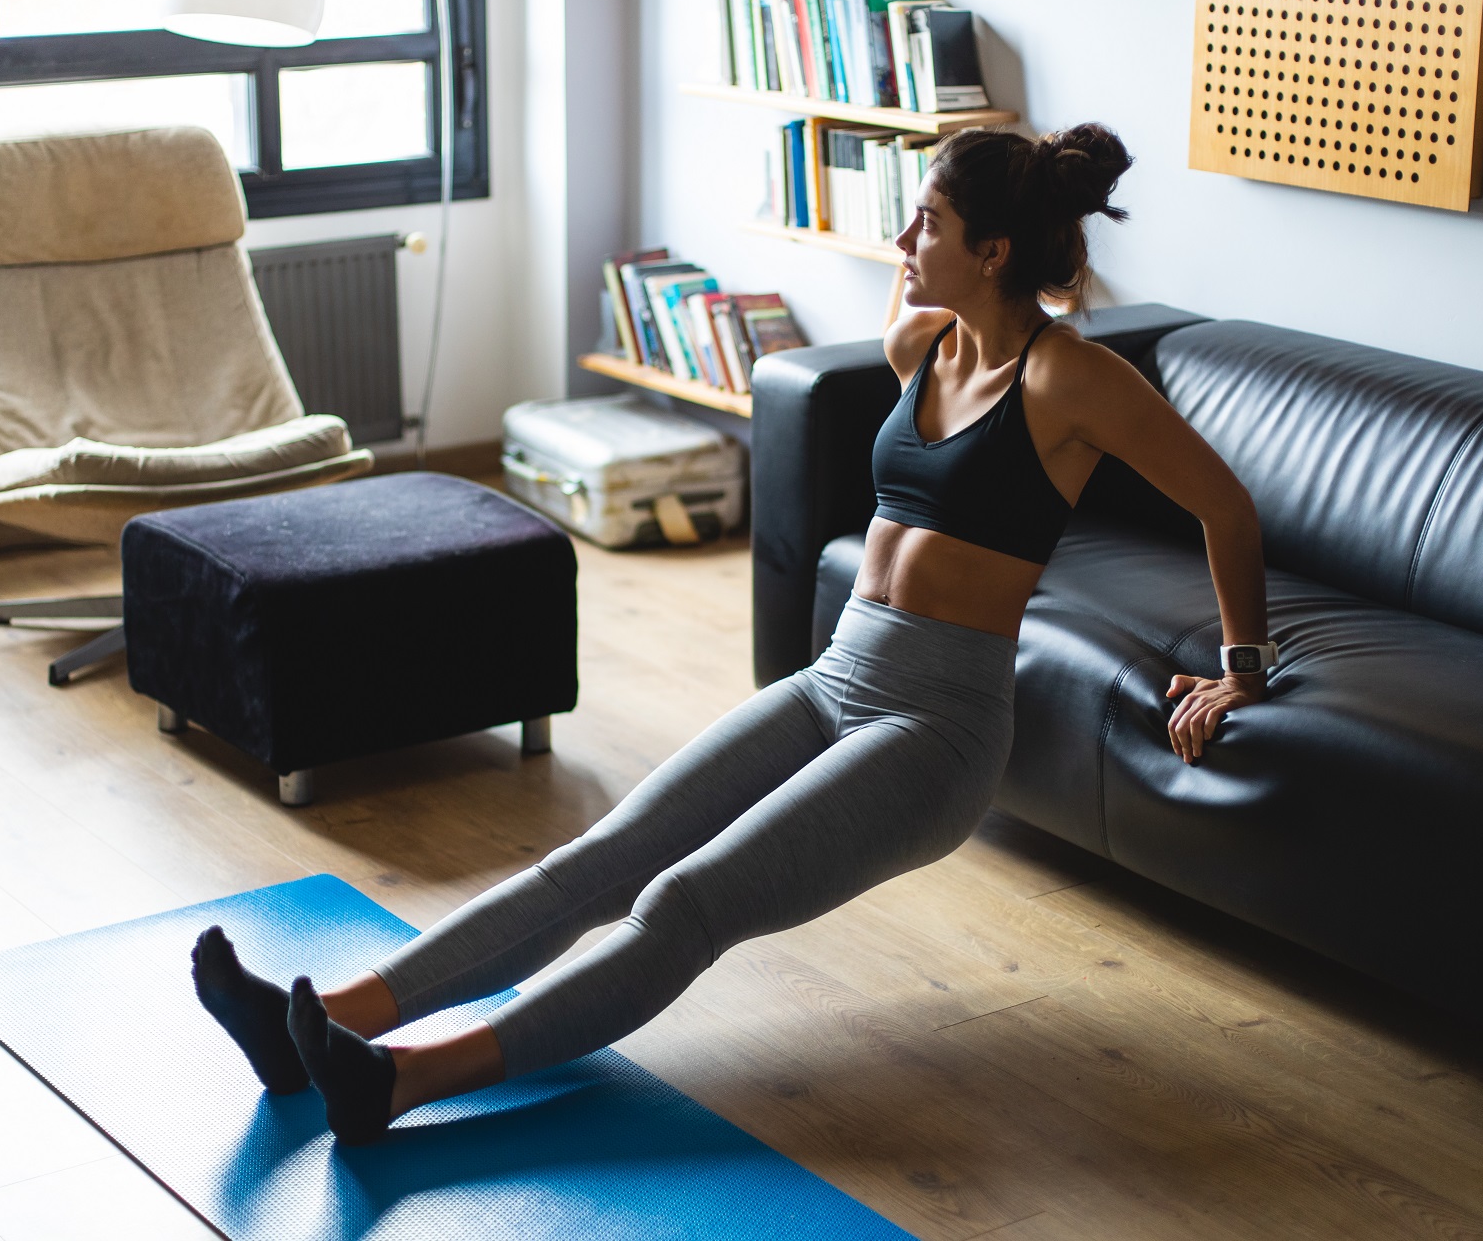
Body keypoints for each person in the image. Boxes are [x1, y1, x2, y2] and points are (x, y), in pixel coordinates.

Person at [191, 123, 1270, 1146]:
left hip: (936, 727)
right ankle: (327, 1021)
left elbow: (1224, 504)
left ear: (992, 251)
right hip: (837, 676)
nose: (903, 242)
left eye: (929, 224)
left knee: (687, 901)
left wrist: (1239, 668)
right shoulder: (922, 343)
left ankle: (400, 1080)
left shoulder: (1068, 378)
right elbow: (924, 398)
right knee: (606, 854)